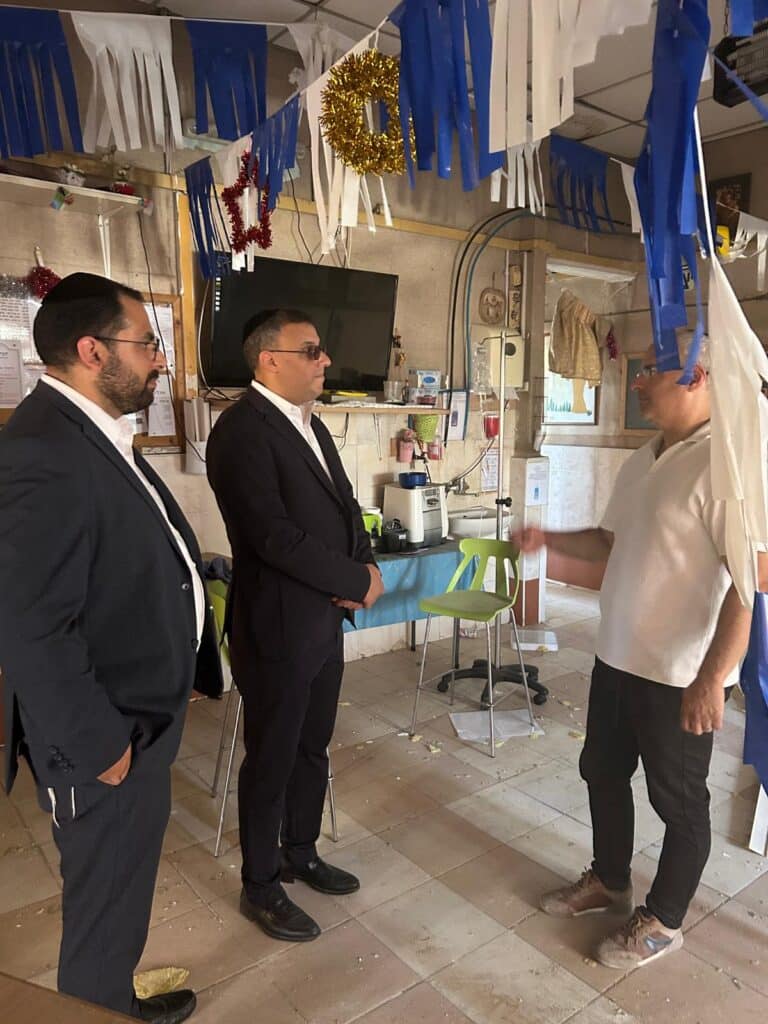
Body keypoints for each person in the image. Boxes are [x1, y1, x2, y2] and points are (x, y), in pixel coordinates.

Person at [0, 274, 222, 1022]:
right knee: (104, 907)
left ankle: (113, 1001)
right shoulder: (44, 451)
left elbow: (131, 564)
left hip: (137, 715)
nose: (161, 359)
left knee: (121, 894)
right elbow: (28, 625)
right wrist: (102, 747)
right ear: (92, 350)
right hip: (104, 736)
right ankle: (97, 1006)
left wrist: (186, 659)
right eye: (148, 343)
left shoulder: (92, 431)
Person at [514, 332, 768, 969]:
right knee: (601, 771)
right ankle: (609, 880)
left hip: (678, 674)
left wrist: (713, 677)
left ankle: (664, 921)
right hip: (616, 657)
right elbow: (609, 541)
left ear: (697, 377)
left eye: (651, 370)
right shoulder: (644, 458)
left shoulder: (729, 467)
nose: (636, 381)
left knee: (678, 803)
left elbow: (752, 582)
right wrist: (550, 538)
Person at [206, 308, 384, 942]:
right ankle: (260, 884)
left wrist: (365, 564)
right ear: (269, 360)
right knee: (273, 756)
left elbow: (346, 506)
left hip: (322, 622)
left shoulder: (312, 424)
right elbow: (273, 536)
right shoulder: (240, 432)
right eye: (310, 350)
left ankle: (299, 851)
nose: (324, 360)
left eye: (322, 349)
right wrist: (352, 581)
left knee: (313, 744)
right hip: (277, 627)